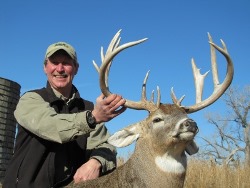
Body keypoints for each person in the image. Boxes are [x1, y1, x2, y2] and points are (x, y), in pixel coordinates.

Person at [3, 42, 126, 187]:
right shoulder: (30, 99)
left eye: (66, 63)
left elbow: (106, 145)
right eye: (54, 62)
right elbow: (52, 126)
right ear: (45, 67)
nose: (60, 69)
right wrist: (92, 118)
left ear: (76, 68)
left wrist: (96, 162)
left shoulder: (88, 108)